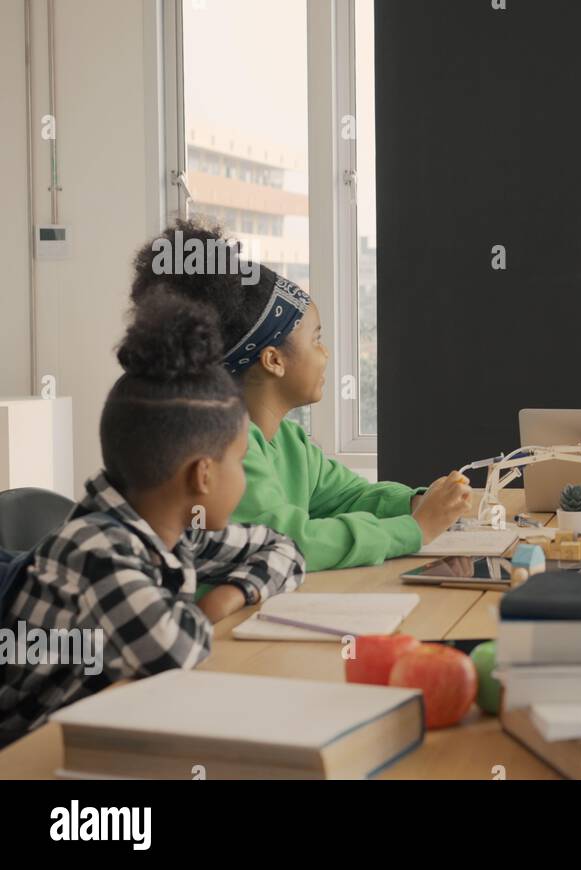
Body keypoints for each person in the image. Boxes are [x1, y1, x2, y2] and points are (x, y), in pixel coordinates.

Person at [0, 293, 304, 746]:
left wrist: (232, 591)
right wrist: (216, 607)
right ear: (202, 475)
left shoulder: (176, 531)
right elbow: (177, 651)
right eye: (239, 462)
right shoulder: (96, 553)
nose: (243, 478)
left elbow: (285, 550)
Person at [130, 221, 472, 573]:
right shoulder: (225, 448)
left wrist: (416, 502)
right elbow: (291, 541)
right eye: (316, 339)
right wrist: (414, 529)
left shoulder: (290, 441)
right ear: (274, 360)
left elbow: (349, 497)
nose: (325, 353)